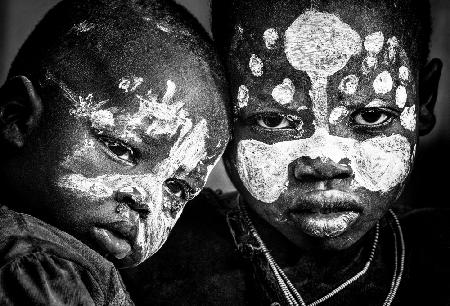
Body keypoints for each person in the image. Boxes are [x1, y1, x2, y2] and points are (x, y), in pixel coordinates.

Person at [121, 0, 450, 305]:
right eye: (274, 119)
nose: (325, 162)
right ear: (219, 109)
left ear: (423, 104)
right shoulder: (141, 254)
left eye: (370, 116)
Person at [0, 0, 230, 304]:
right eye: (121, 149)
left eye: (176, 187)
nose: (147, 200)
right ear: (16, 118)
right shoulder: (38, 267)